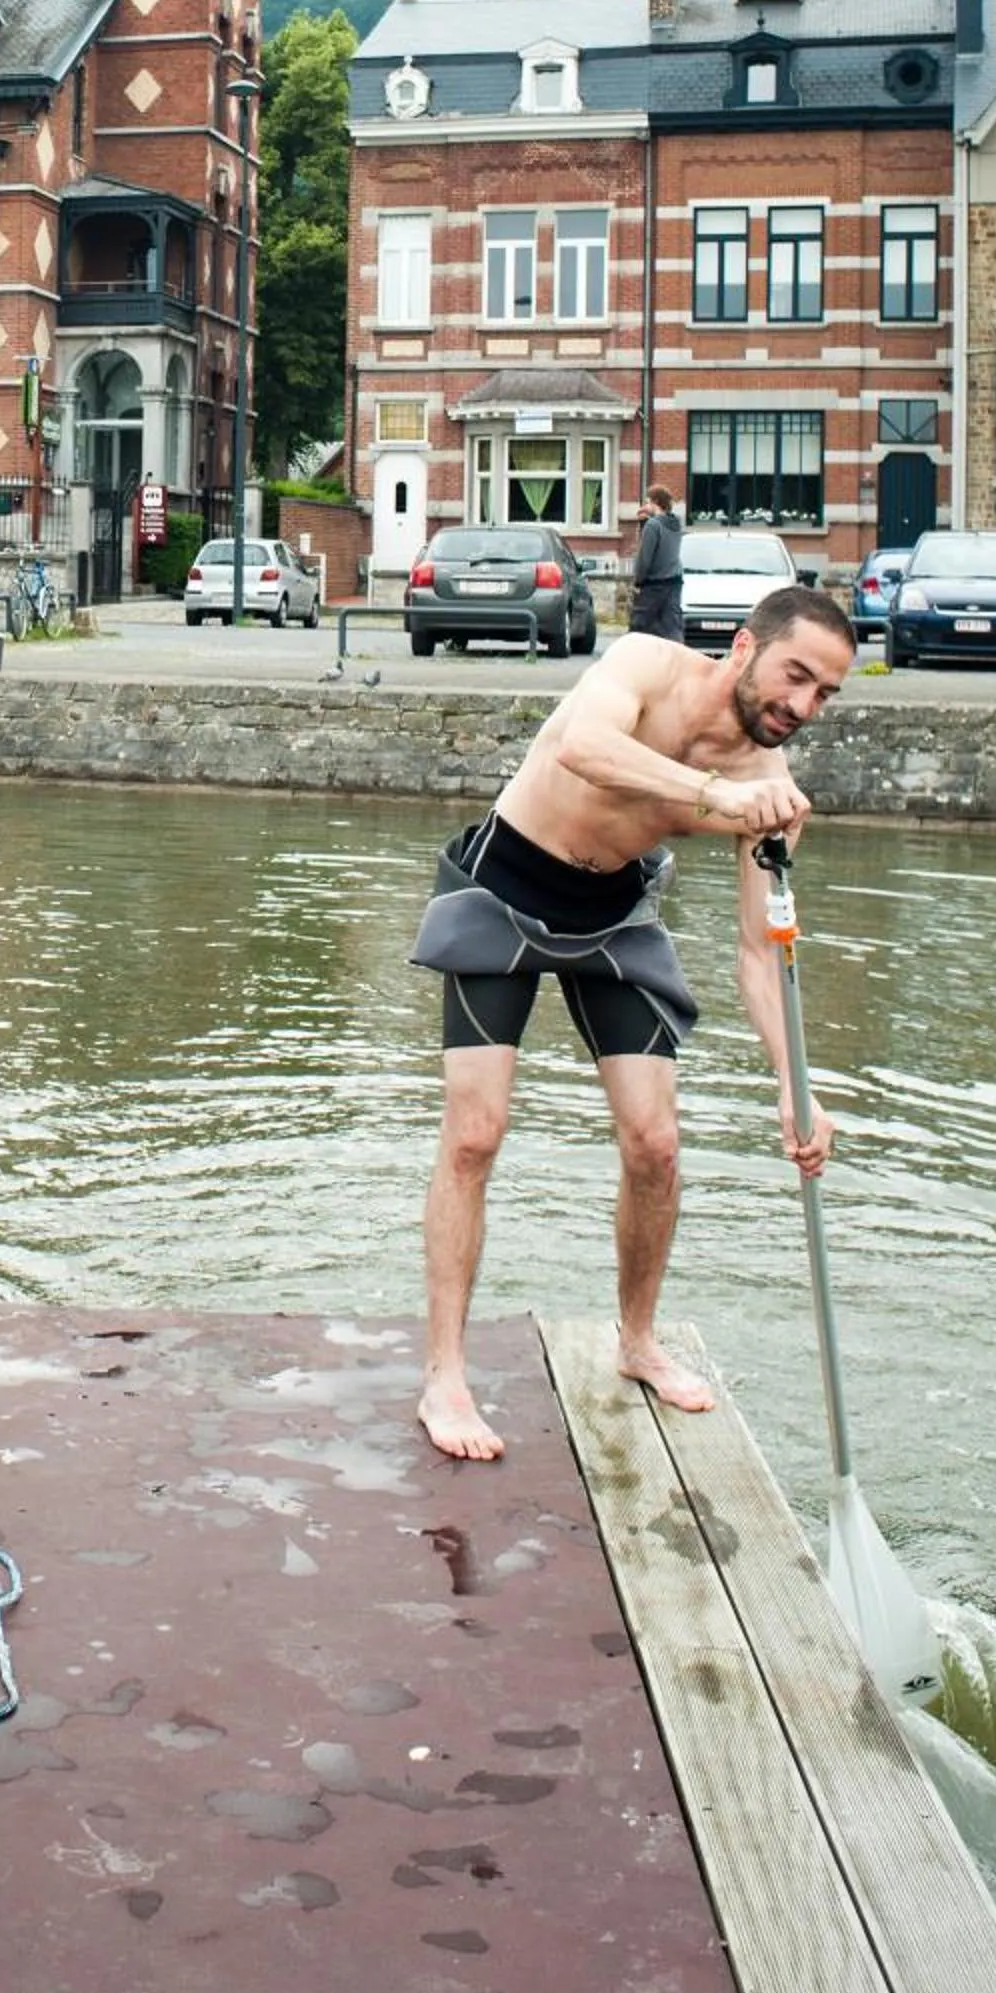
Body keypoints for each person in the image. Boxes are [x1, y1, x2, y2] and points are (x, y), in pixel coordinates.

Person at [409, 584, 856, 1462]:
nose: (802, 707)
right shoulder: (648, 664)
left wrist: (793, 1088)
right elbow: (584, 746)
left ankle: (638, 1342)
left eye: (825, 694)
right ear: (743, 648)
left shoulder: (771, 789)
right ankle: (445, 1375)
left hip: (614, 916)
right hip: (500, 889)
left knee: (656, 1143)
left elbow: (759, 956)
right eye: (796, 676)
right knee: (475, 1134)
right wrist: (709, 795)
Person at [628, 484, 684, 642]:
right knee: (671, 628)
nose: (645, 506)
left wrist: (637, 581)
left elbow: (645, 558)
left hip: (653, 585)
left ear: (655, 502)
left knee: (639, 630)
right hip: (674, 583)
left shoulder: (653, 526)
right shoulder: (676, 523)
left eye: (647, 502)